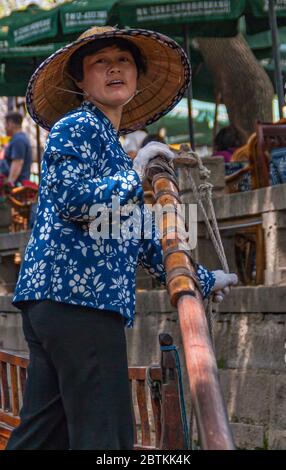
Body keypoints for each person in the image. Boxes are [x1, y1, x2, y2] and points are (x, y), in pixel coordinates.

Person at [7, 25, 237, 450]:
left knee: (43, 436)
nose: (114, 68)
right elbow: (72, 199)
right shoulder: (76, 126)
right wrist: (134, 173)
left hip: (65, 305)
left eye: (124, 60)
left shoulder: (110, 145)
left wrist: (203, 279)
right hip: (78, 301)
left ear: (136, 74)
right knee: (106, 437)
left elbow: (135, 232)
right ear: (80, 79)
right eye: (100, 62)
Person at [0, 111, 32, 186]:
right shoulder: (17, 139)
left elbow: (17, 162)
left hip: (16, 186)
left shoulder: (19, 140)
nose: (5, 127)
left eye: (6, 124)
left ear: (11, 123)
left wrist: (9, 184)